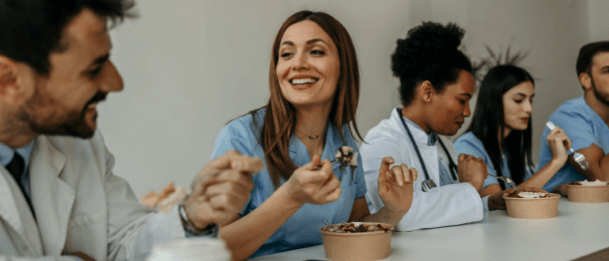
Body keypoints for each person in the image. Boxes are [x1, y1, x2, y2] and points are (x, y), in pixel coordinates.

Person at [0, 1, 262, 260]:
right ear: (8, 80)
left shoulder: (79, 144)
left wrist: (191, 216)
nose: (116, 83)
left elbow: (125, 241)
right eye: (93, 69)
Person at [210, 11, 417, 260]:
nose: (297, 64)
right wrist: (289, 198)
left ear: (343, 65)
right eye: (286, 54)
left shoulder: (344, 144)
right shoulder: (239, 138)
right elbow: (212, 251)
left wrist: (393, 211)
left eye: (316, 51)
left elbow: (353, 225)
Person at [361, 22, 515, 232]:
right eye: (462, 100)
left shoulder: (444, 143)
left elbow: (445, 211)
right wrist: (468, 188)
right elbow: (396, 215)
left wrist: (489, 202)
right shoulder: (381, 143)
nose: (468, 112)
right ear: (427, 92)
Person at [454, 65, 571, 197]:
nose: (529, 108)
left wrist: (557, 187)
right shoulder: (467, 147)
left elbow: (529, 186)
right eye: (518, 100)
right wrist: (556, 162)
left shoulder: (508, 148)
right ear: (494, 101)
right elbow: (497, 201)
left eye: (530, 100)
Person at [539, 41, 609, 194]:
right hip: (559, 213)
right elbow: (603, 178)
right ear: (586, 80)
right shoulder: (568, 116)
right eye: (607, 70)